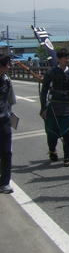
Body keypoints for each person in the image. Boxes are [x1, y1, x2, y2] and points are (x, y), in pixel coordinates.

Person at [40, 48, 69, 167]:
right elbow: (44, 91)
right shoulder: (51, 73)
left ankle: (67, 156)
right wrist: (43, 108)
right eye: (65, 58)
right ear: (59, 59)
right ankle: (52, 150)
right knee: (52, 132)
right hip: (54, 106)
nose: (68, 60)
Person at [0, 55, 16, 193]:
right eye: (7, 64)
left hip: (4, 121)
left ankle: (5, 182)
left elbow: (11, 101)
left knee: (6, 152)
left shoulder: (7, 80)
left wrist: (10, 115)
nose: (9, 67)